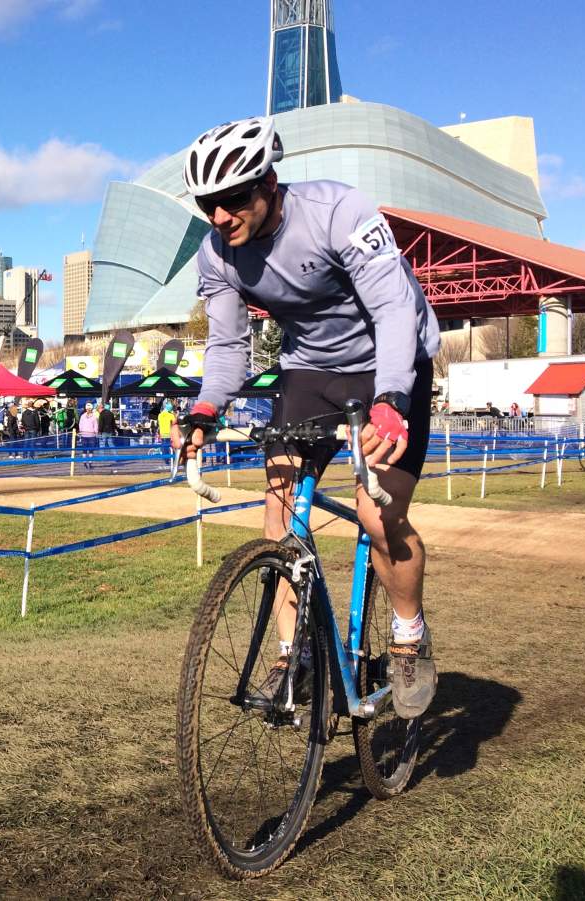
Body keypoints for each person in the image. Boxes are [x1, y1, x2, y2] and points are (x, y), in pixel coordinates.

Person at [174, 115, 441, 719]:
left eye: (233, 199)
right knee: (281, 507)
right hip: (310, 370)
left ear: (269, 183)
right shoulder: (216, 253)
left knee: (377, 514)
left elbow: (394, 308)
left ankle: (408, 638)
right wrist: (206, 409)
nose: (219, 216)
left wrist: (392, 400)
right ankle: (290, 656)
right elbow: (227, 346)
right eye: (207, 205)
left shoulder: (338, 212)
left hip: (392, 361)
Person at [78, 401, 99, 468]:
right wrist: (81, 431)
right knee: (87, 450)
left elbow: (95, 426)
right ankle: (86, 462)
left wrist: (95, 432)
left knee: (88, 450)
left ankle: (88, 463)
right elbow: (80, 425)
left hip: (89, 435)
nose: (88, 410)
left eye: (89, 409)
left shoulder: (92, 416)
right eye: (88, 409)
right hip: (87, 435)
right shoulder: (85, 416)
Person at [157, 400, 176, 469]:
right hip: (170, 434)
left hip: (162, 434)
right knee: (173, 447)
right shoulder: (171, 415)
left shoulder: (160, 415)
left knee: (164, 448)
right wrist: (174, 414)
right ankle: (173, 460)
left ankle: (166, 461)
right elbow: (175, 423)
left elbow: (159, 423)